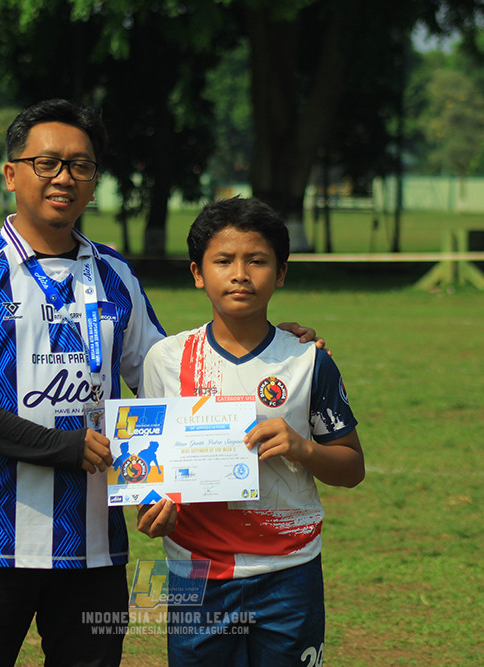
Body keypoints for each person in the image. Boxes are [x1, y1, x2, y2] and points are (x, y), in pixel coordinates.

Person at [0, 99, 322, 667]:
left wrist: (269, 340)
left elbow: (174, 378)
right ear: (11, 174)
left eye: (81, 166)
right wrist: (62, 447)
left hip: (95, 550)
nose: (64, 178)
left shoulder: (113, 273)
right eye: (47, 163)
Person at [137, 196, 365, 666]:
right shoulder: (165, 360)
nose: (240, 273)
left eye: (257, 260)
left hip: (289, 569)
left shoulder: (307, 360)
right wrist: (149, 508)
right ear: (198, 273)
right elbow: (146, 468)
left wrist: (302, 448)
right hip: (194, 571)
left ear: (281, 272)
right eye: (223, 260)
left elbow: (352, 467)